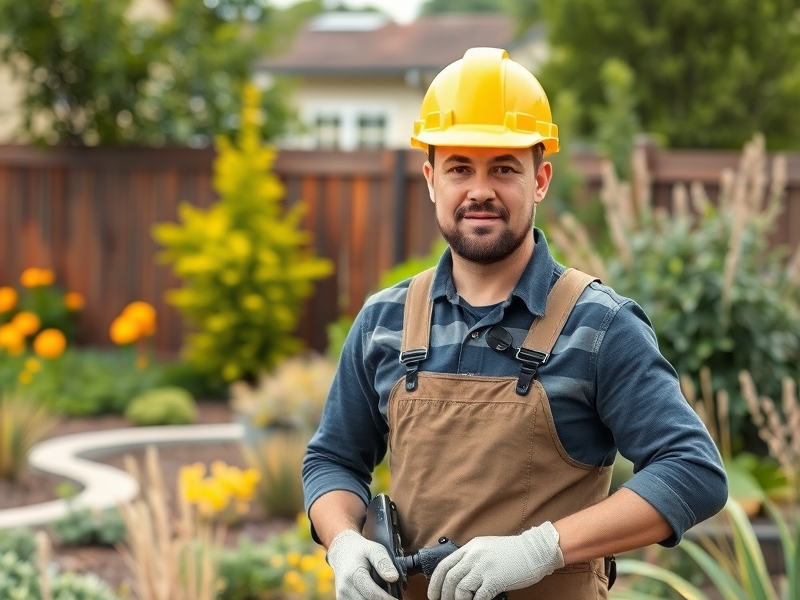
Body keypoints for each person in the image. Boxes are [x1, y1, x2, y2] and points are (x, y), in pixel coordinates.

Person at [302, 47, 727, 600]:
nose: (480, 190)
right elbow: (332, 458)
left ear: (541, 179)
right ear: (431, 180)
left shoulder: (599, 326)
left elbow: (693, 470)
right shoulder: (385, 320)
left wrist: (541, 548)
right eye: (460, 168)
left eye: (504, 167)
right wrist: (343, 543)